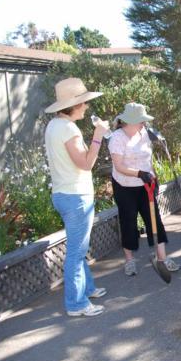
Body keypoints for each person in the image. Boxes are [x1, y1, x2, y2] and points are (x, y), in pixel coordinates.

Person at [44, 77, 109, 317]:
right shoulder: (68, 128)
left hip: (63, 194)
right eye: (83, 103)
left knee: (77, 248)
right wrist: (98, 135)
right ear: (73, 105)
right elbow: (86, 163)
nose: (86, 107)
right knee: (76, 252)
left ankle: (87, 288)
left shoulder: (53, 126)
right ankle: (76, 304)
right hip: (76, 197)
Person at [108, 103, 181, 280]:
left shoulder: (144, 133)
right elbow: (119, 166)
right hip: (124, 185)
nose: (143, 124)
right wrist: (139, 174)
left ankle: (162, 258)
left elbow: (147, 159)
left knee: (154, 219)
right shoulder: (117, 138)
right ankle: (129, 260)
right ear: (130, 121)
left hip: (146, 185)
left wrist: (152, 176)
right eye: (141, 121)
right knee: (129, 222)